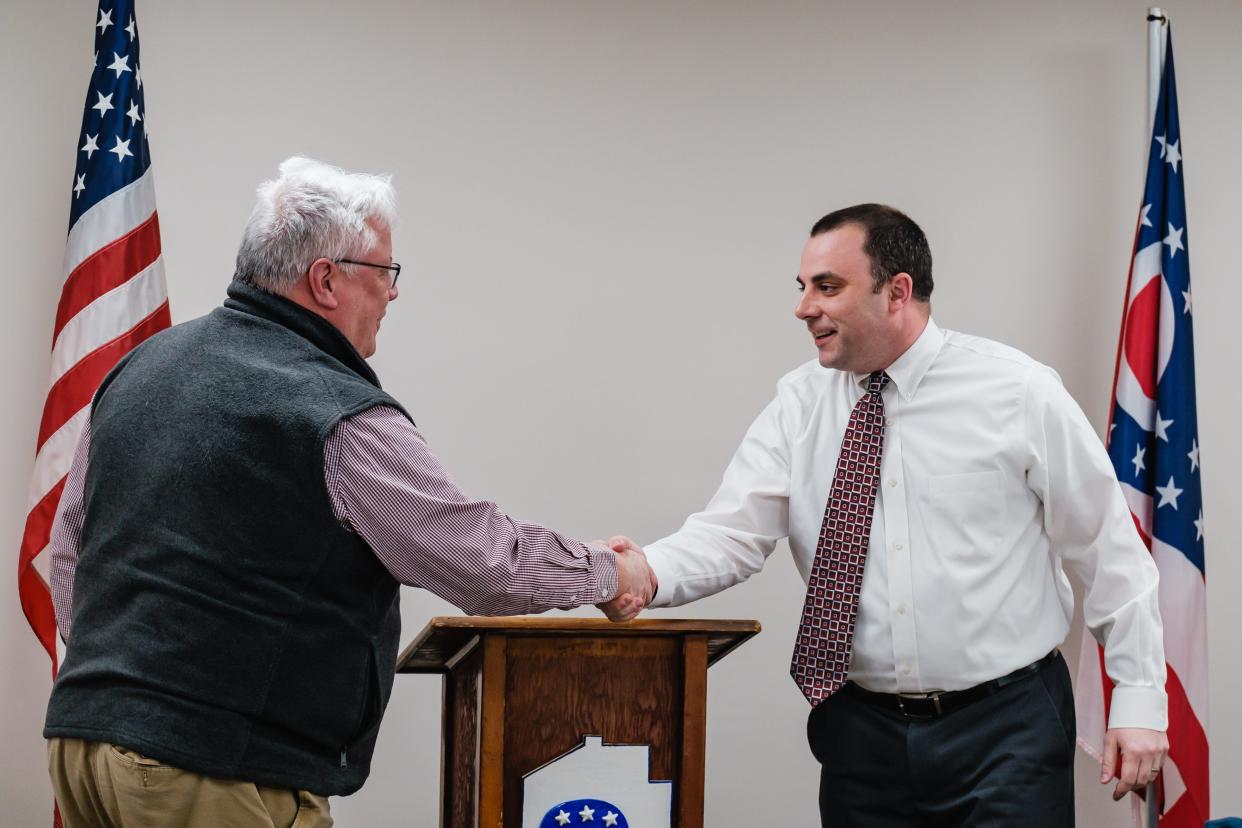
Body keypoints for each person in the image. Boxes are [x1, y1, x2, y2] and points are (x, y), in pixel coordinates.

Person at [43, 156, 656, 828]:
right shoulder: (335, 412)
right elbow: (483, 564)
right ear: (326, 279)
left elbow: (69, 551)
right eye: (385, 273)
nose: (393, 293)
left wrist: (127, 683)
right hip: (208, 768)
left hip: (83, 746)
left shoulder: (138, 371)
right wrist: (610, 571)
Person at [605, 204, 1167, 826]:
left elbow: (1108, 548)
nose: (803, 308)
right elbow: (732, 533)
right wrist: (644, 573)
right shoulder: (799, 404)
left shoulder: (1017, 391)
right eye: (803, 288)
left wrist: (1139, 698)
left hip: (1007, 728)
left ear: (897, 291)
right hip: (862, 733)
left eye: (828, 287)